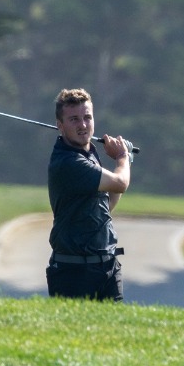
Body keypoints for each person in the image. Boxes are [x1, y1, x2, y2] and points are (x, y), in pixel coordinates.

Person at [45, 87, 131, 301]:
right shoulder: (69, 162)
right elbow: (120, 183)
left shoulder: (88, 153)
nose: (83, 125)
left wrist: (122, 160)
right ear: (60, 125)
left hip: (107, 267)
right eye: (74, 119)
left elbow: (107, 204)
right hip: (73, 274)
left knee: (115, 334)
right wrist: (122, 158)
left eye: (87, 117)